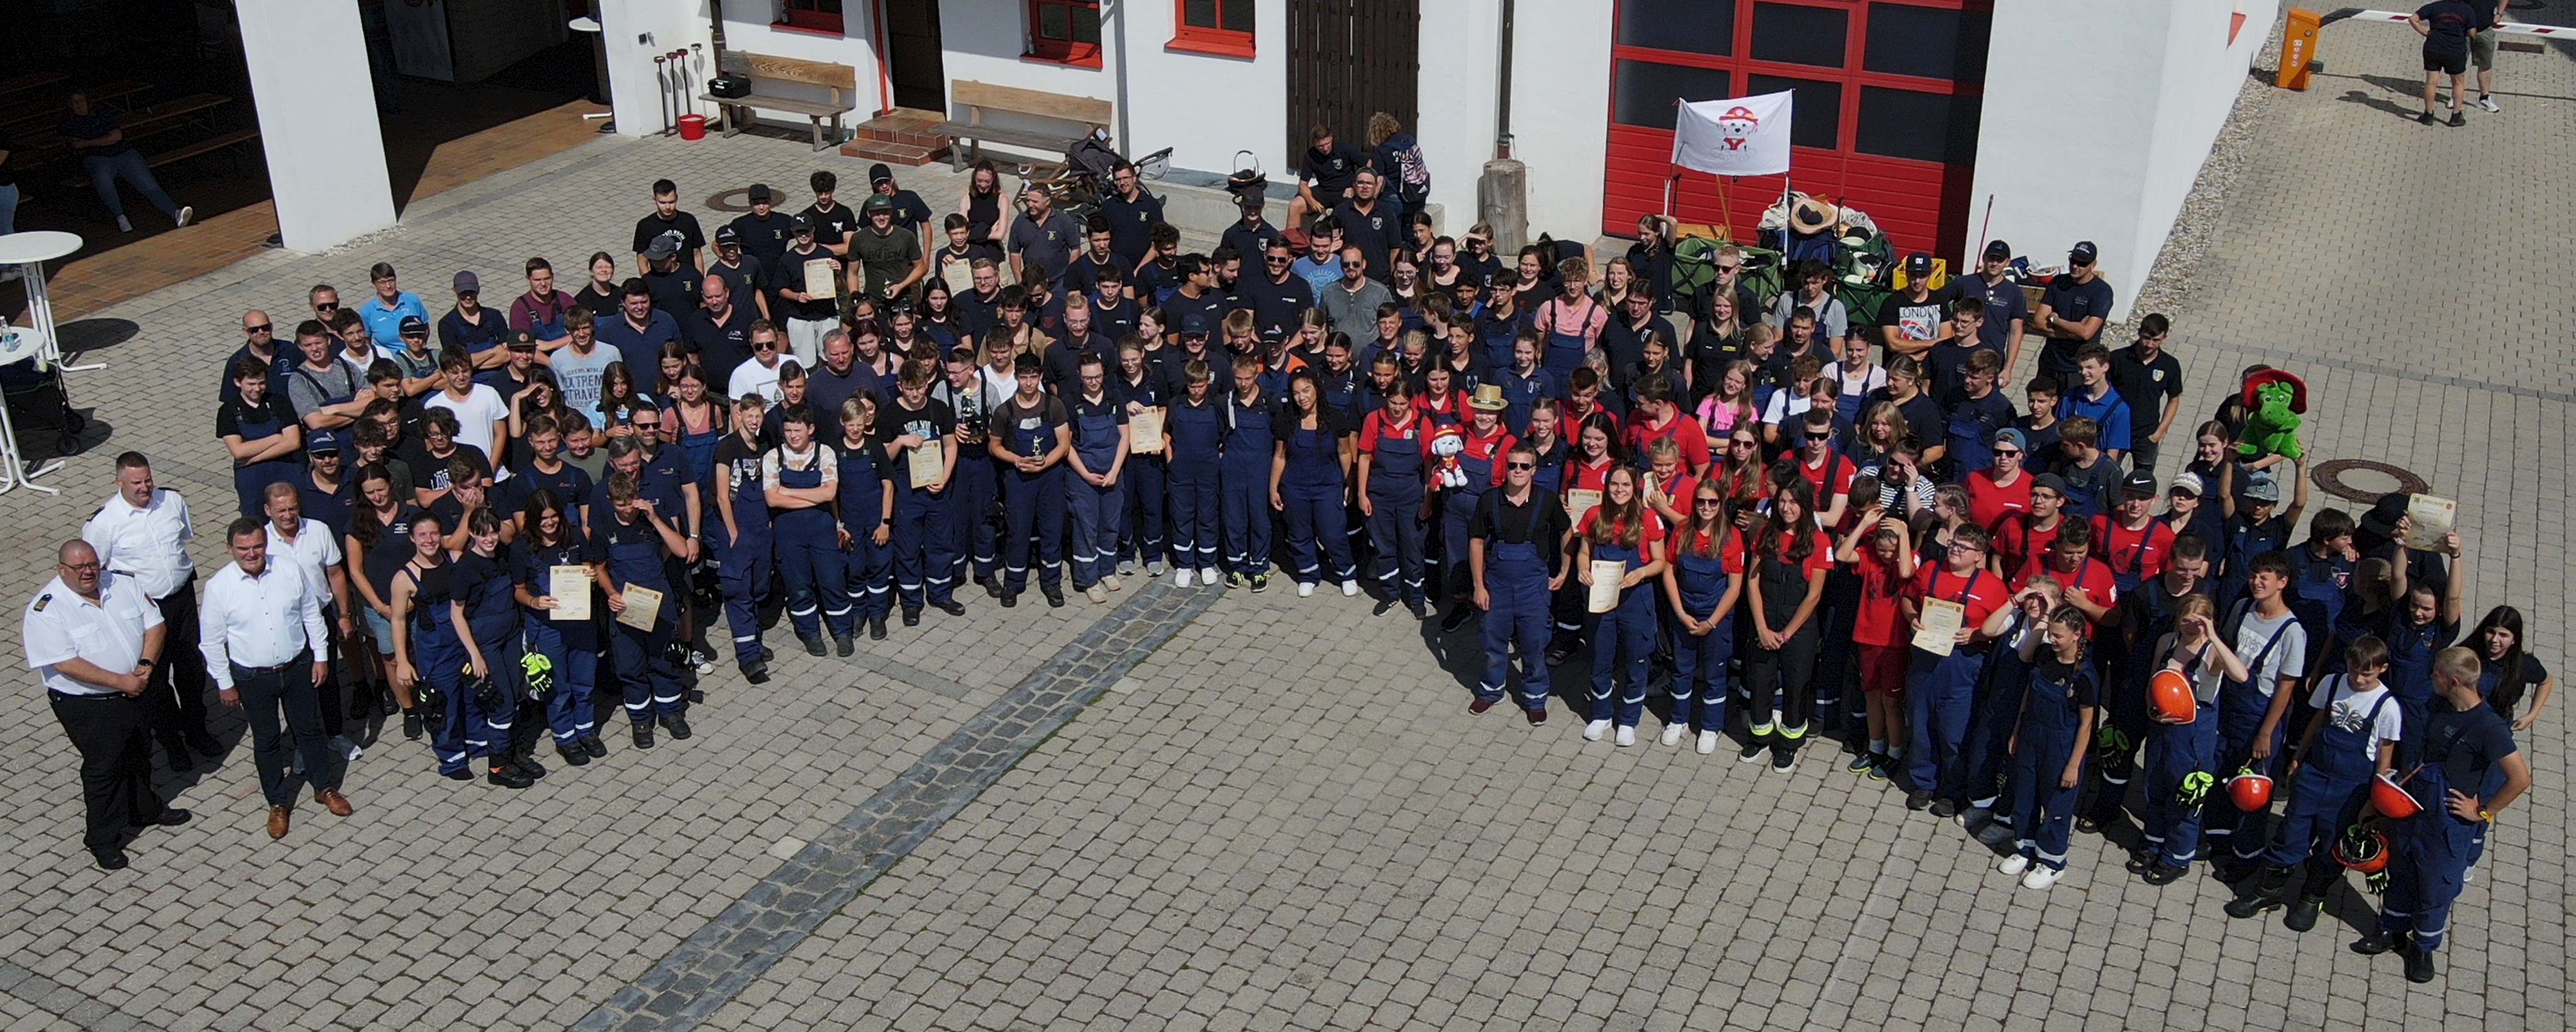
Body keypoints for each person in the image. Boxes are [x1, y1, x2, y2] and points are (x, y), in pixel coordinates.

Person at [2357, 647, 2531, 984]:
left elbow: (2521, 779)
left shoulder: (2490, 728)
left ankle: (2423, 948)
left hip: (2450, 822)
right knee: (2403, 870)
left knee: (2436, 887)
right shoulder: (2439, 705)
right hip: (2416, 807)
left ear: (2453, 681)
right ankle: (2391, 930)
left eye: (2436, 673)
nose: (2430, 677)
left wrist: (2482, 811)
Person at [27, 540, 192, 869]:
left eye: (93, 565)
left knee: (139, 752)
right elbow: (65, 664)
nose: (89, 572)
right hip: (89, 705)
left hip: (137, 689)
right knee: (104, 769)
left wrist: (146, 665)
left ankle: (144, 808)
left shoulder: (122, 583)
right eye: (79, 568)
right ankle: (102, 838)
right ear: (62, 570)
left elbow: (155, 624)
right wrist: (123, 682)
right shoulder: (47, 609)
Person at [2228, 635, 2405, 926]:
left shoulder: (2388, 707)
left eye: (2367, 673)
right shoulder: (2332, 683)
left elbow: (2385, 760)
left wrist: (2373, 803)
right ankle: (2268, 893)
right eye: (2354, 669)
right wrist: (2299, 757)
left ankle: (2312, 898)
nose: (2358, 679)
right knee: (2291, 831)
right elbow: (2317, 721)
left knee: (2330, 845)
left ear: (2382, 669)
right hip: (2314, 774)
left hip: (2351, 789)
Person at [83, 453, 223, 772]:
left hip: (182, 599)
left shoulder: (172, 501)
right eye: (136, 483)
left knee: (191, 670)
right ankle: (171, 742)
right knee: (155, 681)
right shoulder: (103, 523)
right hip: (143, 612)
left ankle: (197, 730)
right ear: (119, 482)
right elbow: (97, 570)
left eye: (148, 480)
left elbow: (183, 540)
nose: (145, 487)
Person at [2206, 552, 2309, 875]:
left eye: (2266, 577)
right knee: (2221, 775)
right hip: (2230, 707)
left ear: (2282, 582)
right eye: (2254, 575)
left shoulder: (2293, 631)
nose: (2257, 582)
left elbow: (2286, 688)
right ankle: (2216, 841)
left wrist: (2267, 732)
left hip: (2260, 716)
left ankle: (2245, 860)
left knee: (2253, 792)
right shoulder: (2242, 609)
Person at [1902, 523, 2011, 813]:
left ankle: (1953, 791)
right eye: (1953, 544)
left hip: (1964, 665)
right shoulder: (1929, 571)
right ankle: (1924, 782)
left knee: (1955, 733)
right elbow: (1908, 598)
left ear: (1979, 555)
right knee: (1921, 722)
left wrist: (1977, 634)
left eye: (1962, 547)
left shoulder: (1992, 586)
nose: (1954, 550)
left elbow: (2004, 624)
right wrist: (1913, 617)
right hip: (1925, 660)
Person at [1996, 602, 2099, 890]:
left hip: (2061, 745)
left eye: (2058, 636)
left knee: (2056, 805)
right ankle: (2025, 847)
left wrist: (2074, 764)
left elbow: (2087, 725)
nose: (2052, 641)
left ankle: (2052, 862)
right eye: (2050, 634)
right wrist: (2017, 731)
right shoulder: (2044, 656)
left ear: (2077, 635)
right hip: (2031, 735)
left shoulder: (2085, 676)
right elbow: (2028, 696)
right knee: (2025, 795)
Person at [1470, 443, 1571, 723]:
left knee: (1534, 644)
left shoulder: (1547, 500)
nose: (1517, 471)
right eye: (1513, 465)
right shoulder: (1489, 500)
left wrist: (1565, 570)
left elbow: (1567, 531)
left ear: (1534, 470)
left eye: (1524, 466)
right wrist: (1479, 585)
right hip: (1497, 586)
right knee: (1493, 640)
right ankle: (1492, 690)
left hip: (1533, 588)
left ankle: (1535, 697)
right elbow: (1476, 542)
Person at [593, 472, 692, 747]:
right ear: (611, 501)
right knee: (631, 668)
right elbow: (599, 569)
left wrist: (655, 519)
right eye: (621, 504)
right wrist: (612, 594)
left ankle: (671, 714)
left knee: (664, 662)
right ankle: (640, 721)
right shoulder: (604, 530)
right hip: (627, 611)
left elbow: (681, 550)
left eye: (631, 502)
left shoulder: (651, 520)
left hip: (659, 607)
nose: (627, 510)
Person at [1740, 480, 1832, 770]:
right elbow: (1752, 581)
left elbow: (1814, 594)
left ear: (1805, 506)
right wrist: (1762, 629)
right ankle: (1760, 735)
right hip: (1765, 621)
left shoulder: (1819, 542)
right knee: (1761, 680)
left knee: (1796, 684)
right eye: (1782, 501)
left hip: (1799, 628)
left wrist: (1786, 634)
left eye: (1793, 502)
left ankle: (1790, 742)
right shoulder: (1766, 534)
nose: (1786, 508)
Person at [511, 490, 605, 766]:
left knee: (585, 681)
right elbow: (518, 590)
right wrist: (534, 601)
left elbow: (589, 566)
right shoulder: (521, 548)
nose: (550, 523)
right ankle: (565, 737)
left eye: (554, 517)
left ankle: (586, 730)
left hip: (580, 621)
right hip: (547, 627)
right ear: (532, 521)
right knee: (558, 686)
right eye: (543, 519)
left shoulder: (575, 536)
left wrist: (591, 574)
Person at [1576, 465, 1667, 746]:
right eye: (1615, 484)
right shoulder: (1594, 516)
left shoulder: (1649, 519)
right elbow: (1583, 552)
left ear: (1635, 488)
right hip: (1603, 599)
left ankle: (1629, 719)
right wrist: (1583, 570)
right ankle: (1601, 715)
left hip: (1636, 600)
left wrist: (1641, 573)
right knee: (1601, 658)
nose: (1619, 490)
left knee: (1636, 661)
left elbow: (1660, 561)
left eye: (1626, 485)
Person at [444, 510, 535, 787]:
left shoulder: (504, 556)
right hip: (486, 645)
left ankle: (512, 753)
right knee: (502, 703)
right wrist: (475, 654)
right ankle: (497, 767)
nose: (490, 539)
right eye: (483, 533)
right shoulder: (464, 569)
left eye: (493, 532)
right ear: (472, 534)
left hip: (510, 636)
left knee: (518, 695)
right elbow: (456, 614)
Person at [879, 362, 964, 623]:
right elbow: (884, 457)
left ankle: (940, 593)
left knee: (940, 543)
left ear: (927, 383)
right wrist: (900, 441)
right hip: (907, 492)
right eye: (909, 389)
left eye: (919, 388)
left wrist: (945, 476)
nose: (915, 394)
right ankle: (911, 600)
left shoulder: (939, 409)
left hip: (937, 487)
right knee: (908, 547)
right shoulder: (890, 414)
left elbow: (950, 445)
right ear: (900, 387)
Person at [765, 406, 849, 653]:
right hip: (789, 532)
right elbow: (772, 499)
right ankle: (809, 632)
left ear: (811, 429)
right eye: (788, 430)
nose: (792, 436)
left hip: (822, 528)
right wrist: (814, 497)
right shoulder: (773, 457)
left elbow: (829, 493)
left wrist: (788, 491)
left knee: (832, 580)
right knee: (799, 586)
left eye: (797, 430)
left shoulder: (825, 453)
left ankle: (842, 631)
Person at [992, 353, 1072, 606]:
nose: (1028, 383)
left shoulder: (1054, 406)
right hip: (1019, 479)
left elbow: (1064, 444)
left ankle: (1052, 582)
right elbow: (994, 446)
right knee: (1018, 530)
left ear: (1040, 377)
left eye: (1033, 377)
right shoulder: (1005, 411)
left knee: (1052, 528)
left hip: (1050, 477)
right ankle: (1013, 582)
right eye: (1024, 377)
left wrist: (1044, 464)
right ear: (1016, 378)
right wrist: (1016, 460)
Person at [1270, 372, 1358, 598]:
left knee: (1333, 533)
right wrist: (1273, 488)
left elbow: (1345, 452)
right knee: (1300, 533)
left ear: (1317, 389)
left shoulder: (1335, 418)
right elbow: (1280, 456)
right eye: (1296, 393)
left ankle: (1346, 574)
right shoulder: (1287, 420)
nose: (1302, 398)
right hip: (1295, 486)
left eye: (1306, 390)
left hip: (1328, 485)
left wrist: (1350, 483)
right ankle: (1308, 574)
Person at [59, 92, 192, 232]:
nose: (79, 105)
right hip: (97, 158)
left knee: (149, 184)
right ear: (70, 105)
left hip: (123, 153)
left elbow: (116, 136)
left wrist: (88, 143)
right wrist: (95, 143)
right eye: (75, 102)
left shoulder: (101, 114)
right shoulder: (68, 122)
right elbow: (73, 144)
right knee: (104, 182)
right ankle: (121, 217)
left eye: (81, 101)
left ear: (87, 102)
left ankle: (175, 212)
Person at [1357, 377, 1432, 616]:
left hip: (1412, 495)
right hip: (1380, 495)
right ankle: (1390, 593)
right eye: (1393, 402)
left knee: (1412, 548)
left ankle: (1417, 598)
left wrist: (1428, 499)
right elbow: (1365, 458)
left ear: (1411, 402)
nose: (1397, 408)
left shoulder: (1422, 423)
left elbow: (1430, 465)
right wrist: (1362, 494)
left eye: (1402, 403)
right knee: (1384, 547)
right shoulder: (1374, 420)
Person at [837, 395, 898, 640]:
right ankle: (857, 615)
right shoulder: (835, 449)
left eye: (860, 424)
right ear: (843, 422)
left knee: (879, 568)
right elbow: (831, 491)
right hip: (850, 522)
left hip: (875, 520)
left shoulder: (875, 447)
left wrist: (885, 523)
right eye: (851, 424)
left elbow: (889, 486)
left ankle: (877, 616)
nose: (855, 429)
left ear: (866, 421)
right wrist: (839, 525)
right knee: (855, 569)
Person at [2031, 243, 2113, 393]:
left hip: (2079, 369)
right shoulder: (2058, 283)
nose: (2076, 266)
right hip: (2050, 363)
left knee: (2073, 416)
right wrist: (2073, 332)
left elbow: (2086, 333)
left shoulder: (2102, 292)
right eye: (2073, 260)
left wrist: (2056, 321)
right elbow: (2038, 322)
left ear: (2093, 265)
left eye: (2082, 263)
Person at [2109, 315, 2185, 473]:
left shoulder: (2170, 365)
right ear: (2139, 333)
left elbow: (2174, 399)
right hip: (2117, 431)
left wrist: (2159, 433)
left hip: (2147, 435)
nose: (2149, 344)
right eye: (2146, 338)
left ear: (2164, 338)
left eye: (2156, 340)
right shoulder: (2118, 358)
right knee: (2109, 477)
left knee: (2142, 483)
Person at [2412, 0, 2479, 126]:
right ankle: (2456, 116)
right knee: (2458, 83)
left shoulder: (2434, 6)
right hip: (2455, 51)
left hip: (2433, 48)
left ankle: (2428, 115)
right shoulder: (2467, 9)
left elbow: (2413, 19)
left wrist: (2425, 33)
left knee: (2431, 82)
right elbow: (2472, 33)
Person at [1289, 125, 1363, 238]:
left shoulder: (1345, 148)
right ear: (1314, 143)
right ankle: (1292, 244)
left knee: (1342, 213)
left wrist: (1355, 187)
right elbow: (1303, 184)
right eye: (1320, 146)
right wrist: (1311, 201)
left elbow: (1368, 166)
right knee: (1295, 205)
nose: (1325, 148)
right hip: (1324, 191)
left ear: (1331, 138)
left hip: (1345, 192)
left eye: (1327, 144)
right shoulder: (1311, 155)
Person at [1007, 182, 1082, 289]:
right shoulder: (1020, 222)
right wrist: (1020, 282)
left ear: (1047, 201)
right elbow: (1014, 252)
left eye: (1035, 201)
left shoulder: (1063, 221)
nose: (1030, 205)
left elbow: (1076, 250)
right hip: (1031, 283)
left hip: (1059, 282)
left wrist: (1070, 277)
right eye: (1028, 200)